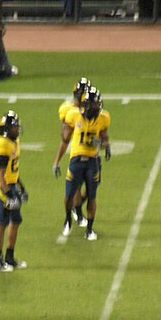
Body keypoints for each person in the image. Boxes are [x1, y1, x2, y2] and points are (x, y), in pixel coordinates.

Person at [53, 86, 111, 241]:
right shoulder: (73, 115)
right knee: (69, 194)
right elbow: (65, 138)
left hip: (92, 160)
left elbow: (105, 141)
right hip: (76, 159)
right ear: (86, 105)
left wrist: (98, 142)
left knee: (92, 196)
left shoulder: (103, 117)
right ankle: (67, 218)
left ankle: (89, 229)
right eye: (95, 104)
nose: (98, 106)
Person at [0, 110, 28, 272]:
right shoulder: (2, 144)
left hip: (11, 185)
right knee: (3, 222)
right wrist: (8, 195)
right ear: (6, 129)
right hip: (2, 187)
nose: (17, 129)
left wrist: (20, 187)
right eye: (14, 126)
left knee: (16, 220)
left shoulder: (14, 141)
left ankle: (9, 257)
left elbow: (12, 170)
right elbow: (0, 174)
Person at [57, 77, 91, 228]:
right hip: (76, 152)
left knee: (92, 187)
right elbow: (64, 138)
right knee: (77, 185)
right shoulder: (68, 110)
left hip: (91, 153)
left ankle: (75, 208)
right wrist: (57, 161)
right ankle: (77, 211)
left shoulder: (90, 108)